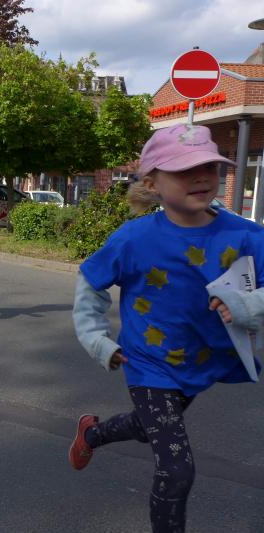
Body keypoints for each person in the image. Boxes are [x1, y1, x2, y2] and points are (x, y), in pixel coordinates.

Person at [69, 123, 264, 533]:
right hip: (148, 362)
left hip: (200, 363)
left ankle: (91, 434)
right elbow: (91, 282)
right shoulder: (134, 238)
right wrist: (96, 340)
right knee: (177, 470)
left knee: (146, 427)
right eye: (184, 169)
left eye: (209, 166)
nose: (201, 177)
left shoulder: (246, 235)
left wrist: (249, 306)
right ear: (152, 182)